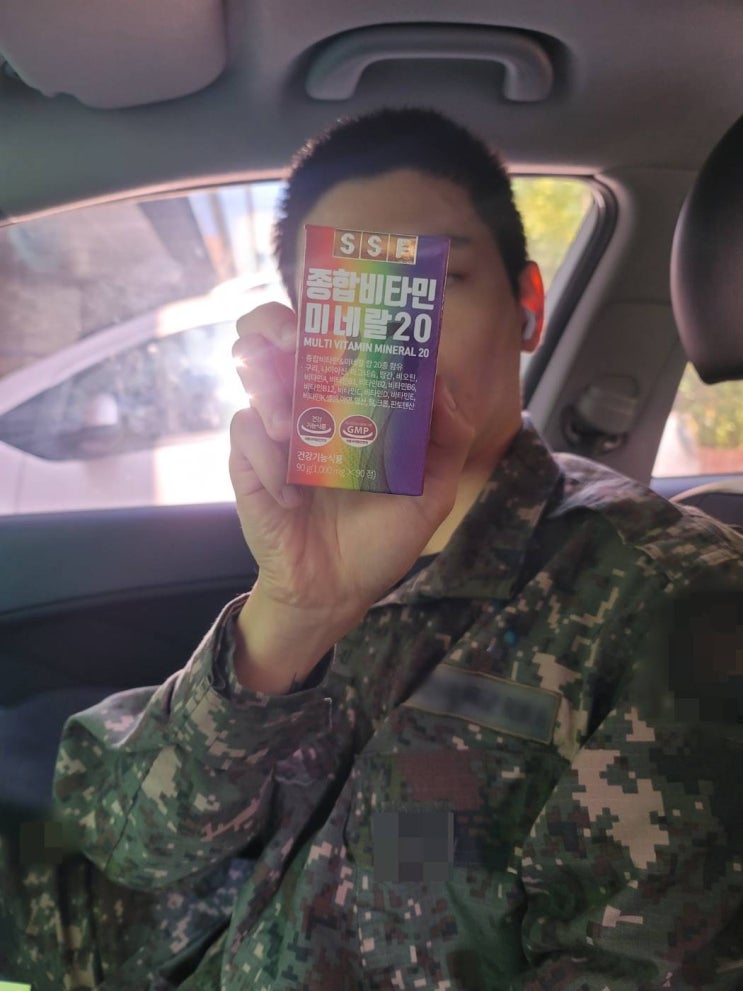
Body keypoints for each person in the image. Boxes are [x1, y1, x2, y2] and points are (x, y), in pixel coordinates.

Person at [2, 107, 741, 990]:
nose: (400, 335)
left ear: (526, 307)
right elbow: (129, 845)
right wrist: (290, 614)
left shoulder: (670, 603)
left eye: (434, 280)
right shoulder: (313, 542)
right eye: (349, 297)